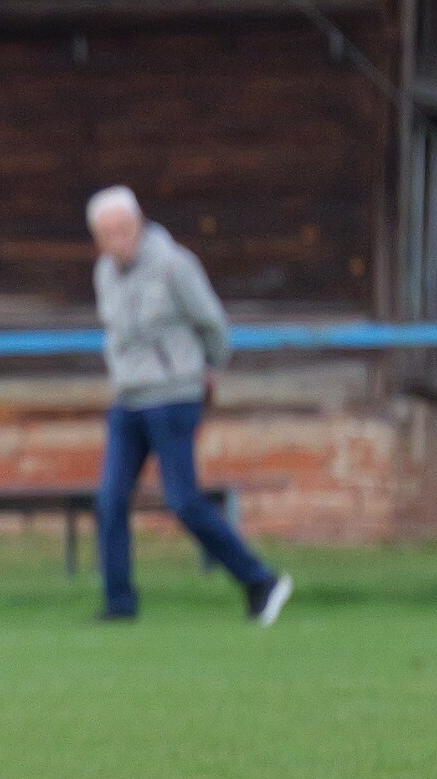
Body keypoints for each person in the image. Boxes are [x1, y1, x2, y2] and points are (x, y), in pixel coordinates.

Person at [88, 185, 292, 625]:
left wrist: (209, 370)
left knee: (182, 500)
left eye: (124, 228)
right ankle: (119, 605)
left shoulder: (174, 265)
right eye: (107, 233)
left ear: (139, 223)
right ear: (98, 239)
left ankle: (261, 581)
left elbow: (213, 324)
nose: (118, 240)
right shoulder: (104, 273)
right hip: (128, 399)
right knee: (110, 500)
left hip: (174, 396)